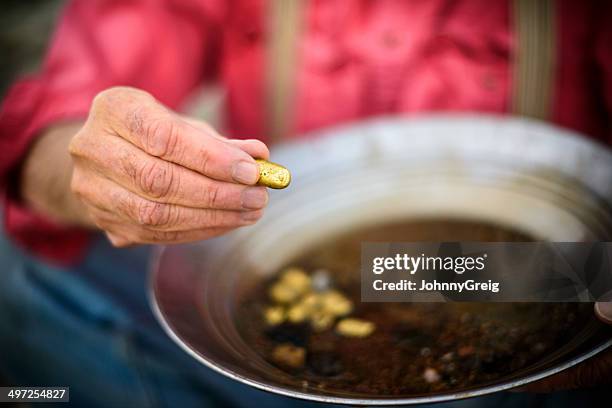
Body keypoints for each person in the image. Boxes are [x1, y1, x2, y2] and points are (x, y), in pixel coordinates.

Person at [0, 0, 611, 406]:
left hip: (539, 296)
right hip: (297, 291)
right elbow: (58, 120)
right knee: (20, 271)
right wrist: (94, 165)